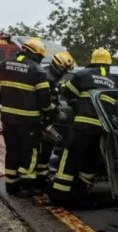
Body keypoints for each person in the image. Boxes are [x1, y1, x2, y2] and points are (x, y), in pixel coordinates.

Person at [0, 37, 51, 198]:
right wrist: (49, 111)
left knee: (12, 152)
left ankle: (11, 186)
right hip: (29, 122)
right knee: (30, 153)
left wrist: (1, 91)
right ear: (36, 54)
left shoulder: (4, 64)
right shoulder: (38, 71)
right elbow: (44, 100)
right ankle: (27, 187)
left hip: (8, 120)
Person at [50, 47, 116, 206]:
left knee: (70, 158)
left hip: (82, 126)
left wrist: (76, 103)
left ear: (92, 61)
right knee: (90, 161)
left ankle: (59, 194)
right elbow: (115, 107)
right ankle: (82, 192)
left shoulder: (83, 75)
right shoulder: (114, 81)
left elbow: (66, 94)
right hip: (101, 130)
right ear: (108, 64)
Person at [35, 51, 75, 191]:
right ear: (60, 66)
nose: (65, 72)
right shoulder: (49, 79)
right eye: (65, 69)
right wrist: (57, 112)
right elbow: (45, 102)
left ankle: (40, 179)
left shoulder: (51, 77)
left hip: (44, 120)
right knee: (42, 153)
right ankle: (38, 183)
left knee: (44, 153)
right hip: (42, 121)